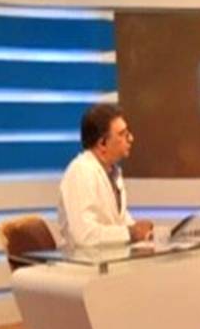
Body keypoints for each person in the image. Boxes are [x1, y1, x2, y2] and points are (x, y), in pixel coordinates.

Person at [58, 102, 153, 248]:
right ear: (102, 143)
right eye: (122, 134)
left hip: (111, 258)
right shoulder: (81, 172)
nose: (131, 138)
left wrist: (144, 235)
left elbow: (120, 222)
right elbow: (85, 235)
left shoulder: (113, 172)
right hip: (82, 260)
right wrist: (131, 233)